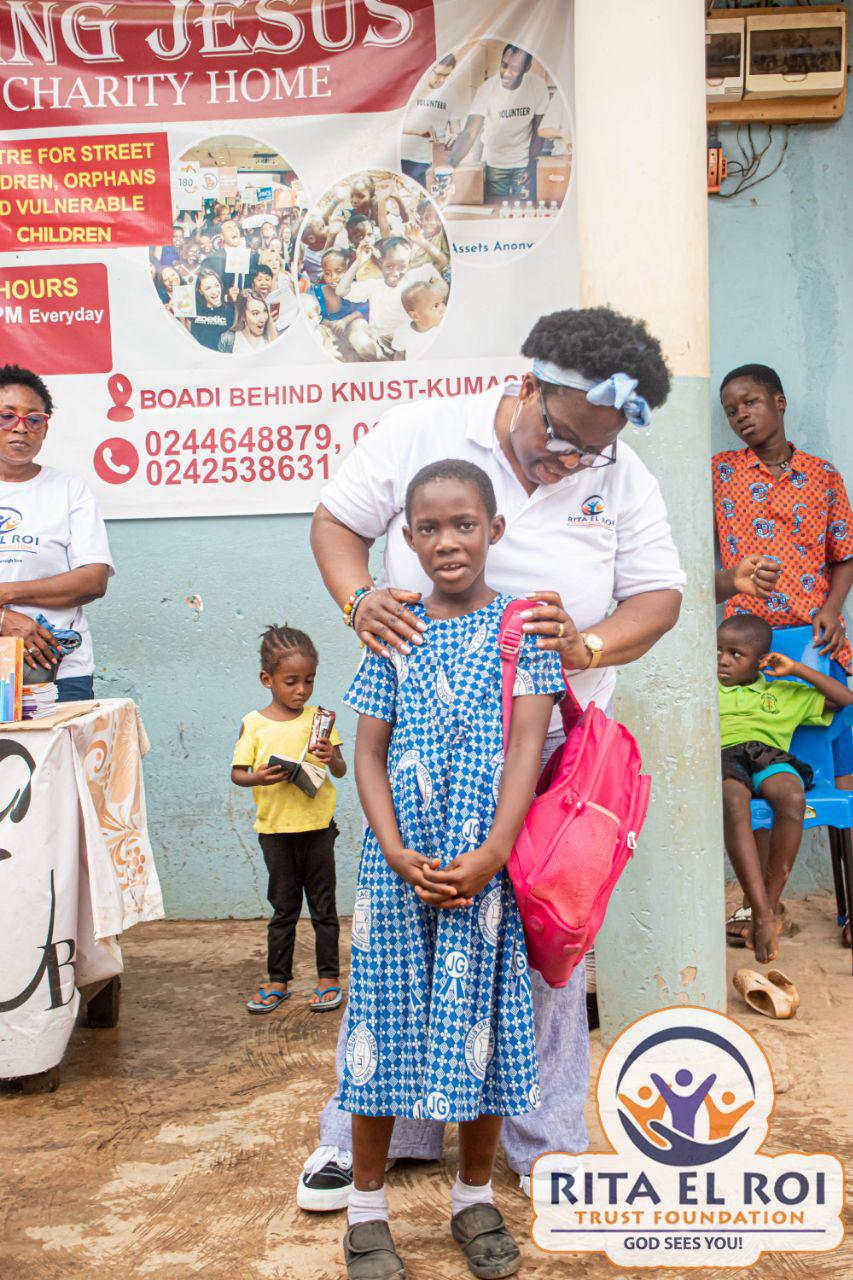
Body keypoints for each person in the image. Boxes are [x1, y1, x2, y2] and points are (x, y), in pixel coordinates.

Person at [299, 306, 684, 1210]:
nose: (570, 462)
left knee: (543, 943)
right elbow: (335, 523)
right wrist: (358, 600)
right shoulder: (425, 431)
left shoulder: (620, 475)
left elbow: (658, 597)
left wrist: (587, 645)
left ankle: (543, 1141)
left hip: (548, 753)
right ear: (526, 387)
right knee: (401, 944)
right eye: (560, 438)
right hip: (422, 741)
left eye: (592, 450)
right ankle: (378, 1134)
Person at [340, 459, 564, 1279]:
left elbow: (527, 747)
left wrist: (495, 852)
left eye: (464, 524)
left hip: (484, 871)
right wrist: (393, 848)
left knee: (485, 1032)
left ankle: (473, 1198)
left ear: (493, 529)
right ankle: (365, 1212)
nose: (447, 542)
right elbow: (368, 754)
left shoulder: (524, 628)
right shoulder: (392, 630)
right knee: (380, 1030)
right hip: (396, 872)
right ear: (407, 538)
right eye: (428, 529)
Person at [712, 363, 853, 943]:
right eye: (731, 410)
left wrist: (832, 609)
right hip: (743, 640)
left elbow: (844, 553)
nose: (741, 415)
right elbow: (693, 549)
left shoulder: (823, 475)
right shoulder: (720, 473)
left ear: (779, 401)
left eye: (750, 402)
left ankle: (846, 905)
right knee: (749, 768)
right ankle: (764, 907)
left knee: (836, 765)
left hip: (814, 642)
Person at [717, 613, 853, 962]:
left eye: (735, 654)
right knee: (732, 800)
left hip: (767, 756)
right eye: (718, 651)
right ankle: (761, 912)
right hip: (724, 756)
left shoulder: (784, 692)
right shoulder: (706, 689)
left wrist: (796, 670)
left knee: (792, 796)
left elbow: (845, 699)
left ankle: (769, 904)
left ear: (760, 660)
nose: (723, 660)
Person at [231, 625, 347, 1013]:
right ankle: (278, 980)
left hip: (318, 830)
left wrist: (331, 757)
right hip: (276, 832)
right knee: (283, 909)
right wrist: (259, 777)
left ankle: (328, 979)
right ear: (267, 680)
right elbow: (238, 773)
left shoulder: (320, 720)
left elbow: (341, 770)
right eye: (291, 681)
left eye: (309, 680)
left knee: (324, 907)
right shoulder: (254, 723)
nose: (302, 690)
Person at [0, 365, 113, 700]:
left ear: (44, 429)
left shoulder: (69, 490)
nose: (21, 428)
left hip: (59, 670)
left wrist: (5, 593)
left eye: (34, 419)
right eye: (7, 416)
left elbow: (93, 580)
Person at [450, 44, 549, 202]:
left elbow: (539, 131)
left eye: (515, 68)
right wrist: (450, 168)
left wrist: (531, 166)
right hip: (494, 164)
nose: (507, 73)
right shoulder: (487, 89)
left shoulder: (537, 86)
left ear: (527, 68)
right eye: (504, 65)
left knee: (523, 209)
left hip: (523, 162)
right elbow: (470, 133)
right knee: (493, 208)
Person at [336, 237, 443, 355]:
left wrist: (420, 240)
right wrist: (358, 261)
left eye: (402, 266)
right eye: (389, 266)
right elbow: (341, 291)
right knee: (357, 329)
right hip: (382, 342)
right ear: (381, 263)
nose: (395, 273)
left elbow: (442, 261)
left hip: (409, 339)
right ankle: (385, 359)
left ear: (409, 263)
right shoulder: (374, 286)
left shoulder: (415, 277)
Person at [401, 53, 462, 187]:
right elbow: (392, 125)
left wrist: (455, 137)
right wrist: (418, 131)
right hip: (402, 156)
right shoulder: (412, 88)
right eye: (438, 74)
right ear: (429, 68)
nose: (441, 79)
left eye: (446, 75)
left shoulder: (451, 95)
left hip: (429, 161)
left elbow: (456, 129)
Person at [391, 279, 446, 359]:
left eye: (442, 302)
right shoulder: (402, 333)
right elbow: (399, 356)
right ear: (415, 316)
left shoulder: (444, 324)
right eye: (435, 306)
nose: (443, 309)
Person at [187, 268, 234, 351]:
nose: (214, 292)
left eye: (216, 285)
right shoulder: (194, 310)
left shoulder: (231, 310)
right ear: (200, 291)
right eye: (208, 288)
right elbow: (187, 337)